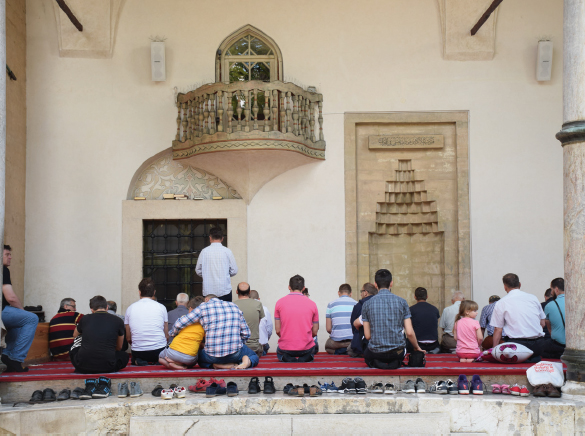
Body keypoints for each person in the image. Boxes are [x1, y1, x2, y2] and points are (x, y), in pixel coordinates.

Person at [169, 293, 259, 369]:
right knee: (254, 355)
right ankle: (247, 362)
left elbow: (179, 323)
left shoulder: (204, 307)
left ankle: (215, 365)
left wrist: (173, 334)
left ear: (207, 299)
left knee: (199, 358)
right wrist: (237, 344)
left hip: (212, 356)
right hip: (234, 354)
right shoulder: (234, 306)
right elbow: (246, 333)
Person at [362, 269, 424, 369]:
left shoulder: (366, 304)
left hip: (375, 352)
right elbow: (409, 333)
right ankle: (395, 362)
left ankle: (377, 362)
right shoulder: (402, 302)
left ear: (375, 284)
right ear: (391, 283)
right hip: (397, 352)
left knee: (367, 352)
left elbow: (368, 336)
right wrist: (417, 347)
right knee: (403, 348)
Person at [490, 273, 546, 363]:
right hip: (538, 345)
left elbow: (498, 329)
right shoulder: (533, 298)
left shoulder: (502, 302)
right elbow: (542, 323)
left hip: (516, 346)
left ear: (505, 287)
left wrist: (494, 351)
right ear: (520, 284)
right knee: (534, 359)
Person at [1, 245, 38, 372]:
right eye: (7, 254)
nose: (10, 257)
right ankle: (15, 358)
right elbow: (10, 297)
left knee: (18, 322)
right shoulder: (3, 270)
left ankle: (6, 356)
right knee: (31, 318)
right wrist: (22, 311)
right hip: (1, 311)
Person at [70, 295, 128, 373]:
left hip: (82, 366)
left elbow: (75, 335)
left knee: (73, 349)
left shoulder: (85, 319)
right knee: (124, 355)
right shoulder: (118, 320)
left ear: (91, 309)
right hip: (108, 366)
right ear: (107, 307)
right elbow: (119, 347)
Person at [274, 275, 319, 362]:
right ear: (303, 288)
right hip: (306, 347)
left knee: (279, 351)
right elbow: (315, 331)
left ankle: (286, 357)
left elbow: (278, 330)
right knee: (314, 346)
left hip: (286, 347)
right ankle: (307, 356)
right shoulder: (312, 304)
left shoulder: (279, 303)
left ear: (289, 287)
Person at [125, 278, 168, 365]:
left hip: (138, 351)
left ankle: (138, 360)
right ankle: (158, 360)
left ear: (139, 292)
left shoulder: (130, 308)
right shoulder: (161, 307)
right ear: (154, 292)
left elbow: (128, 338)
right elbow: (166, 335)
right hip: (159, 350)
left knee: (136, 357)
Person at [159, 297, 205, 369]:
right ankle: (183, 366)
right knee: (196, 357)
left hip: (173, 353)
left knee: (160, 358)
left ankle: (171, 363)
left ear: (190, 308)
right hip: (190, 358)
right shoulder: (203, 324)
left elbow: (174, 331)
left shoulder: (184, 318)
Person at [196, 227, 238, 302]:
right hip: (224, 291)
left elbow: (198, 270)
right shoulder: (227, 251)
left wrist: (206, 274)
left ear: (210, 238)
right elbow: (234, 270)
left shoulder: (204, 252)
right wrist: (226, 274)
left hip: (208, 292)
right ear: (222, 238)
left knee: (209, 313)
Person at [234, 282, 265, 358]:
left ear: (237, 292)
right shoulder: (258, 304)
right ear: (249, 292)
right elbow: (258, 322)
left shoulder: (232, 305)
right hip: (254, 347)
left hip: (237, 347)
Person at [325, 284, 357, 355]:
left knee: (327, 346)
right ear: (351, 293)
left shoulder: (331, 304)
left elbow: (328, 329)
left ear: (338, 293)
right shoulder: (356, 304)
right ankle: (348, 350)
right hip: (352, 341)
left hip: (336, 342)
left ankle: (339, 351)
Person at [348, 283, 378, 357]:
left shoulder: (359, 306)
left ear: (365, 293)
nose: (361, 294)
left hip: (362, 344)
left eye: (361, 291)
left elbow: (354, 327)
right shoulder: (380, 304)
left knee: (349, 349)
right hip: (380, 343)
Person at [408, 287, 440, 354]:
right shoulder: (435, 309)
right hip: (433, 344)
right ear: (427, 296)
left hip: (417, 344)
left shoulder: (411, 310)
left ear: (415, 297)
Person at [542, 278, 565, 359]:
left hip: (558, 346)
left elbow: (550, 329)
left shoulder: (549, 305)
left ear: (556, 289)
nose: (551, 293)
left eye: (551, 290)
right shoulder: (575, 302)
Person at [250, 290, 272, 356]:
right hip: (262, 346)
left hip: (249, 347)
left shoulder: (245, 308)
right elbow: (269, 328)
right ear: (259, 299)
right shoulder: (265, 309)